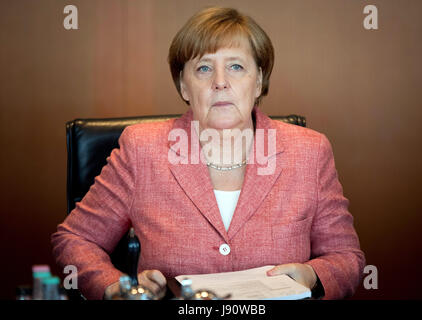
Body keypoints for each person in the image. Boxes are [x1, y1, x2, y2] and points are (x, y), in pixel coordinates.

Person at [51, 7, 365, 300]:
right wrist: (119, 291)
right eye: (203, 68)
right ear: (184, 87)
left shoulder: (309, 151)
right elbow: (76, 239)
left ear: (259, 81)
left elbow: (347, 258)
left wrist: (312, 275)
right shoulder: (142, 148)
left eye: (236, 66)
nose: (220, 82)